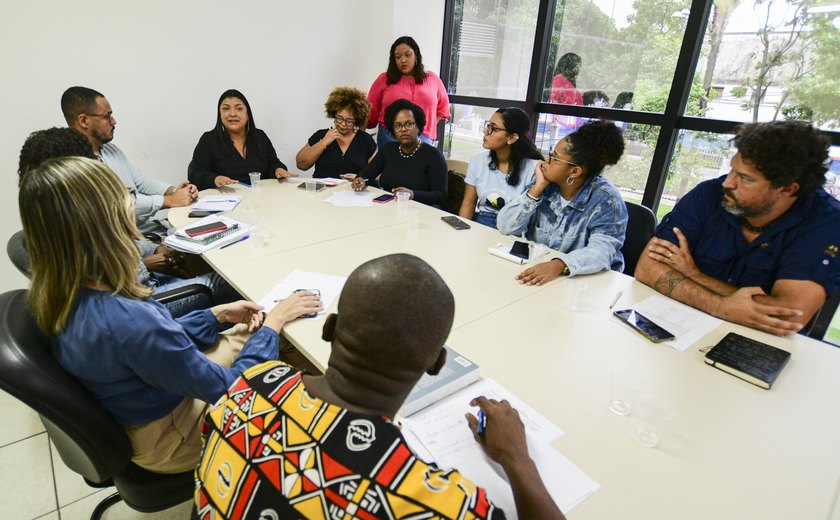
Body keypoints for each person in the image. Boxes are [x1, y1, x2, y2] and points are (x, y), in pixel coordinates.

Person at [195, 254, 566, 520]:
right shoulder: (439, 504)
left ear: (329, 329)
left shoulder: (253, 383)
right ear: (437, 364)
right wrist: (518, 460)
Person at [19, 156, 322, 473]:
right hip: (172, 438)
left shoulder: (60, 293)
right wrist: (272, 325)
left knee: (262, 333)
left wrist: (215, 316)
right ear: (104, 226)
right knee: (287, 345)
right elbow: (233, 389)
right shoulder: (126, 318)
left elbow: (151, 346)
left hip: (147, 408)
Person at [635, 121, 840, 337]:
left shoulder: (825, 223)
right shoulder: (709, 194)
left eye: (744, 178)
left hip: (756, 343)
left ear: (788, 189)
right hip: (680, 324)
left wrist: (694, 275)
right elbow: (647, 268)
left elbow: (785, 317)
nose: (728, 183)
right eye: (733, 169)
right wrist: (721, 306)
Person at [17, 127, 239, 312]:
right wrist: (152, 263)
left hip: (141, 291)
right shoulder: (73, 228)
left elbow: (119, 245)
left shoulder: (49, 220)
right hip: (147, 302)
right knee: (232, 282)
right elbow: (125, 291)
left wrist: (155, 251)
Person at [497, 120, 628, 285]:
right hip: (540, 276)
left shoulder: (606, 200)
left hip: (584, 284)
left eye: (555, 158)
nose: (546, 160)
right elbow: (505, 227)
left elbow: (601, 252)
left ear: (574, 171)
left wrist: (559, 265)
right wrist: (536, 189)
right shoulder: (545, 184)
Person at [61, 86, 197, 237]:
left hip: (150, 230)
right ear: (84, 120)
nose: (114, 121)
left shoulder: (111, 150)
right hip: (126, 242)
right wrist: (169, 200)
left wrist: (177, 192)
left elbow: (141, 182)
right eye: (107, 116)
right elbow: (118, 204)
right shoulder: (78, 165)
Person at [189, 89, 296, 190]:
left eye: (239, 108)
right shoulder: (209, 140)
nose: (232, 114)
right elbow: (195, 174)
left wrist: (279, 170)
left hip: (260, 198)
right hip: (227, 200)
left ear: (247, 114)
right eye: (226, 109)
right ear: (220, 114)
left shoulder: (259, 136)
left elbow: (274, 163)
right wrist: (215, 179)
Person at [352, 99, 448, 207]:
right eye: (398, 126)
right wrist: (360, 180)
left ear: (418, 126)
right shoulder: (389, 150)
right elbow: (367, 174)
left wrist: (413, 194)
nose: (403, 129)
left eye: (408, 124)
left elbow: (441, 196)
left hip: (418, 212)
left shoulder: (433, 155)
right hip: (388, 208)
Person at [458, 108, 543, 229]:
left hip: (515, 228)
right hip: (483, 221)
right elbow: (468, 203)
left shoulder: (534, 169)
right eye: (488, 126)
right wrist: (461, 231)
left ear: (512, 138)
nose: (486, 132)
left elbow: (530, 217)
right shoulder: (478, 160)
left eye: (495, 129)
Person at [366, 36, 450, 146]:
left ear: (416, 55)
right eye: (398, 57)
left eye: (407, 55)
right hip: (390, 136)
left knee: (421, 164)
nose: (403, 60)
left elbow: (443, 108)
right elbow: (370, 110)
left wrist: (427, 126)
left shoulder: (432, 79)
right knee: (390, 164)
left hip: (423, 137)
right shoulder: (384, 79)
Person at [295, 86, 377, 179]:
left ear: (357, 120)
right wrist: (324, 142)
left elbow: (378, 173)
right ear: (333, 114)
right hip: (323, 190)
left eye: (349, 121)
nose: (342, 124)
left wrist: (360, 177)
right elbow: (301, 164)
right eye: (339, 118)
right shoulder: (321, 135)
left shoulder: (365, 140)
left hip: (353, 191)